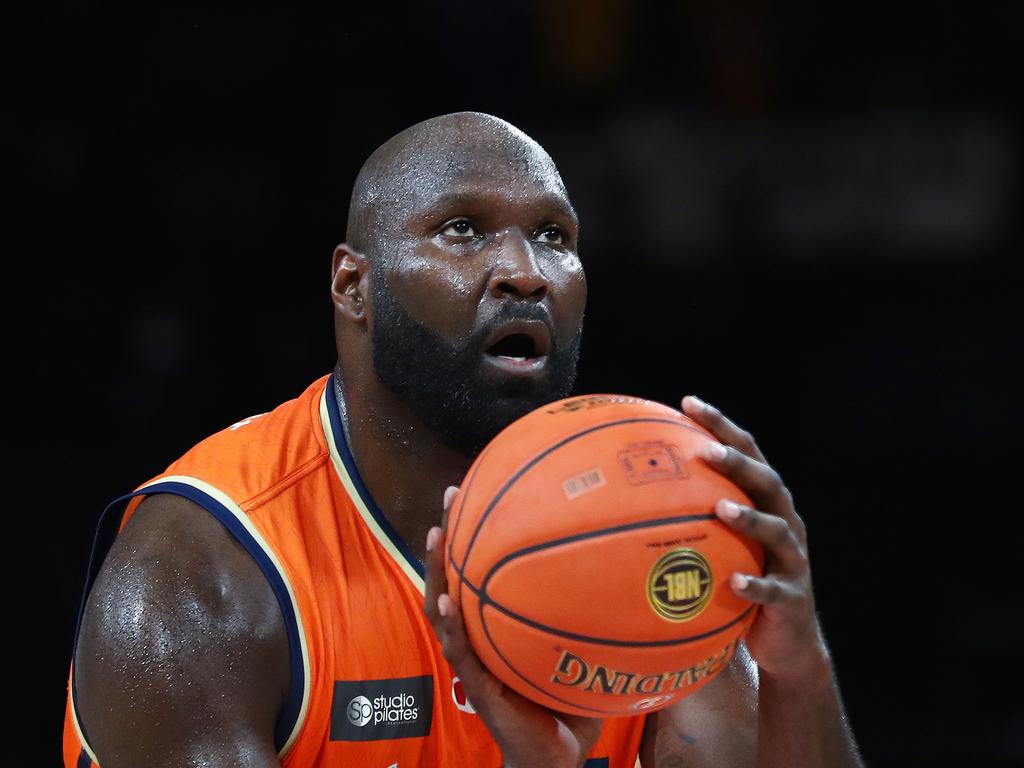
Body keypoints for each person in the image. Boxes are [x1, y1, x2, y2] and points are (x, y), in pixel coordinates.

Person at [63, 112, 864, 768]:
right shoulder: (200, 578)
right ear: (353, 286)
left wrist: (800, 668)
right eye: (462, 230)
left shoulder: (655, 529)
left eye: (554, 236)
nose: (525, 271)